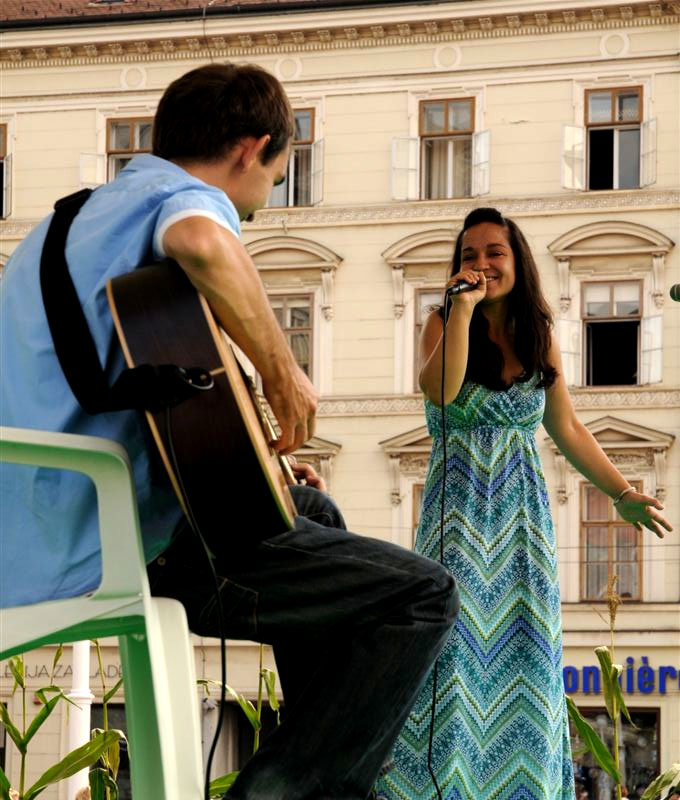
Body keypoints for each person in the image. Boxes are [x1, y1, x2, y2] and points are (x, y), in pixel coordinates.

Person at [0, 64, 459, 799]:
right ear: (252, 148)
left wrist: (255, 466)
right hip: (106, 544)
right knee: (421, 595)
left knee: (312, 512)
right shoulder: (175, 200)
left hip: (37, 527)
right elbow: (204, 243)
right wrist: (284, 372)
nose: (263, 203)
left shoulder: (75, 221)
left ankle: (314, 781)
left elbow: (136, 393)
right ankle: (281, 793)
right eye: (275, 179)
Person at [375, 207, 672, 800]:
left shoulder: (540, 334)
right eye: (469, 255)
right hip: (457, 520)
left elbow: (567, 429)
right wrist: (461, 310)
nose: (481, 264)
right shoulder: (440, 323)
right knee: (452, 666)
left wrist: (622, 493)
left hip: (524, 528)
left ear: (517, 262)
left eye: (494, 253)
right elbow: (440, 395)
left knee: (528, 664)